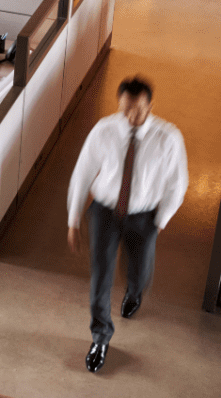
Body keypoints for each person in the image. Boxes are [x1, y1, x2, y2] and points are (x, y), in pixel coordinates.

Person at [66, 77, 188, 374]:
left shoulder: (168, 138)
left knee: (140, 272)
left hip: (144, 217)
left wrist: (161, 221)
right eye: (126, 110)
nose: (132, 117)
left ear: (150, 105)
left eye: (139, 110)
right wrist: (73, 220)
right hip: (105, 212)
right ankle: (100, 337)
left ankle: (134, 292)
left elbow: (178, 183)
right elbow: (82, 173)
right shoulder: (104, 131)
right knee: (101, 275)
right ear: (119, 104)